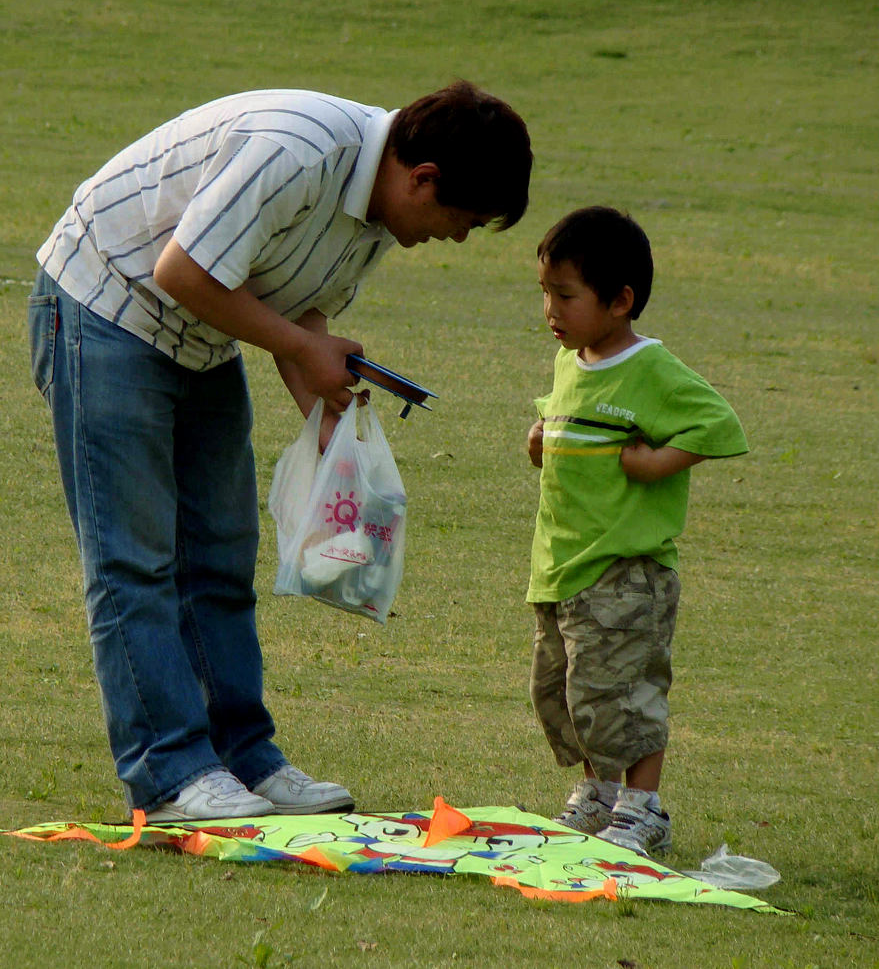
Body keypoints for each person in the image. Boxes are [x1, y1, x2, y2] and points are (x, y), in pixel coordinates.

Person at [29, 81, 532, 823]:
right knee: (134, 561)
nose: (453, 237)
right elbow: (181, 271)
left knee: (221, 555)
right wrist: (303, 348)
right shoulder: (299, 149)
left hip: (199, 336)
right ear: (422, 178)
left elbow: (299, 301)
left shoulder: (376, 213)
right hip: (106, 308)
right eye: (461, 219)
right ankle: (170, 776)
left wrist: (322, 413)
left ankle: (243, 759)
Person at [526, 207, 747, 856]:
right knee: (567, 693)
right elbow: (564, 419)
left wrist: (655, 462)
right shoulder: (573, 360)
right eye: (544, 293)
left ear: (620, 300)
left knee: (618, 691)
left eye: (564, 295)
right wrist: (540, 438)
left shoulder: (650, 368)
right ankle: (597, 795)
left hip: (624, 570)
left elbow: (717, 424)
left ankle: (642, 808)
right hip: (561, 565)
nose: (550, 310)